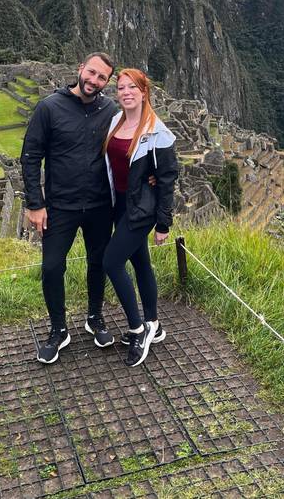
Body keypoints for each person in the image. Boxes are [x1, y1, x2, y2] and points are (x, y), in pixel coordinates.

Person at [21, 52, 117, 364]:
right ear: (80, 69)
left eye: (102, 77)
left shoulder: (110, 109)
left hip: (100, 204)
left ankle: (94, 317)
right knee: (51, 267)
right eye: (91, 73)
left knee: (98, 263)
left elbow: (129, 145)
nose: (94, 81)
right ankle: (59, 329)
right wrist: (35, 203)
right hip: (60, 205)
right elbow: (31, 155)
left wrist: (155, 176)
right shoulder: (50, 107)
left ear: (107, 82)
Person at [103, 68, 179, 367]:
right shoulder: (115, 121)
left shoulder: (157, 132)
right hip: (119, 202)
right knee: (140, 262)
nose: (126, 92)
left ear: (144, 91)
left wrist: (163, 223)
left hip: (141, 210)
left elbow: (167, 179)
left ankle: (139, 328)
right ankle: (155, 323)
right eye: (121, 87)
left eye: (132, 87)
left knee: (112, 261)